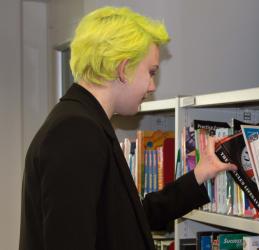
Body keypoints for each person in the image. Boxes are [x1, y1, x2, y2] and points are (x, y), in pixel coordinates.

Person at [19, 6, 236, 250]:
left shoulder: (83, 122)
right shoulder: (76, 131)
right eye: (151, 72)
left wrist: (199, 175)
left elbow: (127, 221)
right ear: (123, 69)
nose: (153, 86)